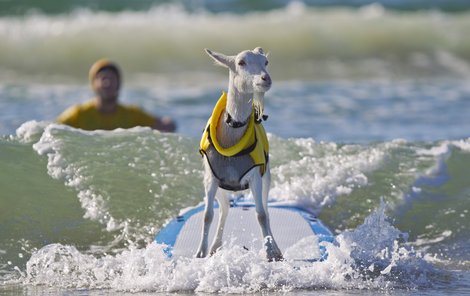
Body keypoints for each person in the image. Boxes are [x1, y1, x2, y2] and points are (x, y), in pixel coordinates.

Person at [57, 59, 176, 132]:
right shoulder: (78, 114)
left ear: (119, 83)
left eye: (112, 78)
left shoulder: (132, 114)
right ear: (93, 84)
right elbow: (51, 130)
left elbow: (167, 126)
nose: (107, 83)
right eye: (102, 78)